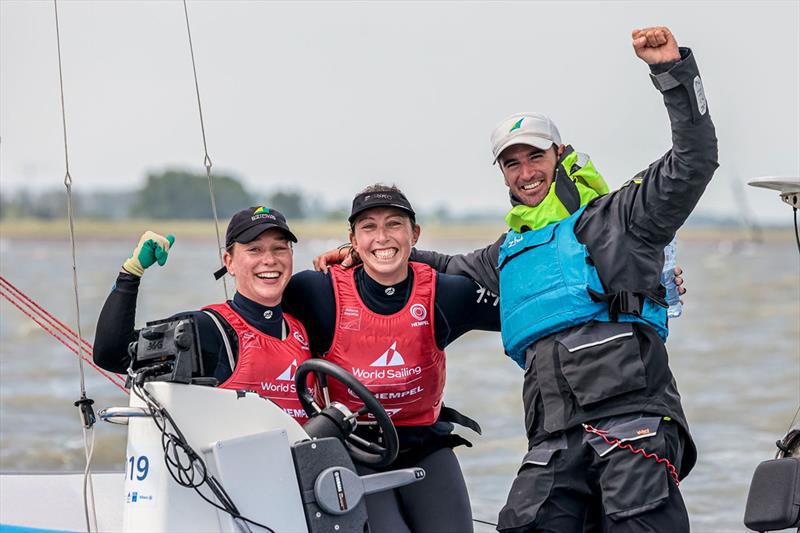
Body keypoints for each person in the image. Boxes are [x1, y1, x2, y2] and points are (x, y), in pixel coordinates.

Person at [317, 26, 714, 532]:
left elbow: (695, 159)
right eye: (512, 163)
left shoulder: (624, 217)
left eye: (535, 157)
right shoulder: (507, 254)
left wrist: (672, 71)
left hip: (633, 420)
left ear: (560, 154)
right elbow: (435, 266)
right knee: (522, 523)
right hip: (554, 438)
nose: (525, 172)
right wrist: (361, 251)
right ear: (503, 174)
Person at [282, 184, 500, 533]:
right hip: (354, 448)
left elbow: (527, 315)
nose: (382, 237)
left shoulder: (447, 292)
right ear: (353, 240)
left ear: (414, 234)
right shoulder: (316, 291)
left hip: (426, 443)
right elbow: (255, 310)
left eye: (394, 225)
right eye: (368, 227)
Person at [93, 207, 313, 423]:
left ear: (291, 255)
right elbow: (113, 354)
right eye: (254, 249)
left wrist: (345, 253)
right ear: (229, 262)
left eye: (279, 248)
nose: (270, 260)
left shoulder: (309, 327)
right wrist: (132, 271)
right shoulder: (206, 329)